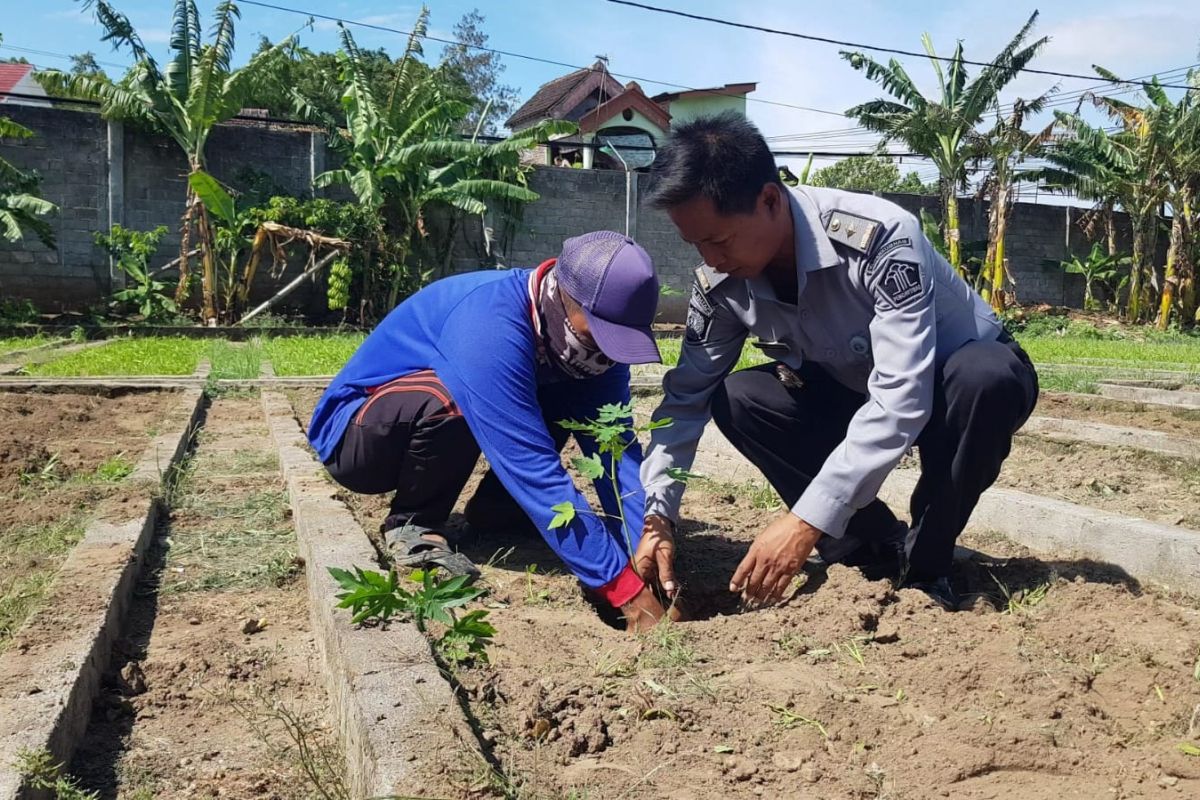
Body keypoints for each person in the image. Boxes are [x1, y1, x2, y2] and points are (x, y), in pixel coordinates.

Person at [634, 112, 1039, 614]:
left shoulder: (880, 238)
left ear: (769, 199)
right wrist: (658, 518)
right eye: (694, 244)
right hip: (855, 387)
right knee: (740, 399)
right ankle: (869, 547)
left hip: (953, 381)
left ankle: (927, 566)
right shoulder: (721, 287)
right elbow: (685, 401)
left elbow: (902, 398)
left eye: (718, 240)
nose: (709, 258)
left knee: (983, 378)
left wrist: (804, 521)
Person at [307, 231, 673, 631]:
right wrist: (623, 591)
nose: (608, 354)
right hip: (360, 438)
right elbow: (529, 464)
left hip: (427, 418)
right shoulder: (489, 324)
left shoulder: (591, 352)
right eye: (601, 336)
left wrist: (647, 539)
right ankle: (414, 523)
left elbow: (615, 448)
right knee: (459, 396)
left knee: (561, 392)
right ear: (566, 299)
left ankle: (497, 513)